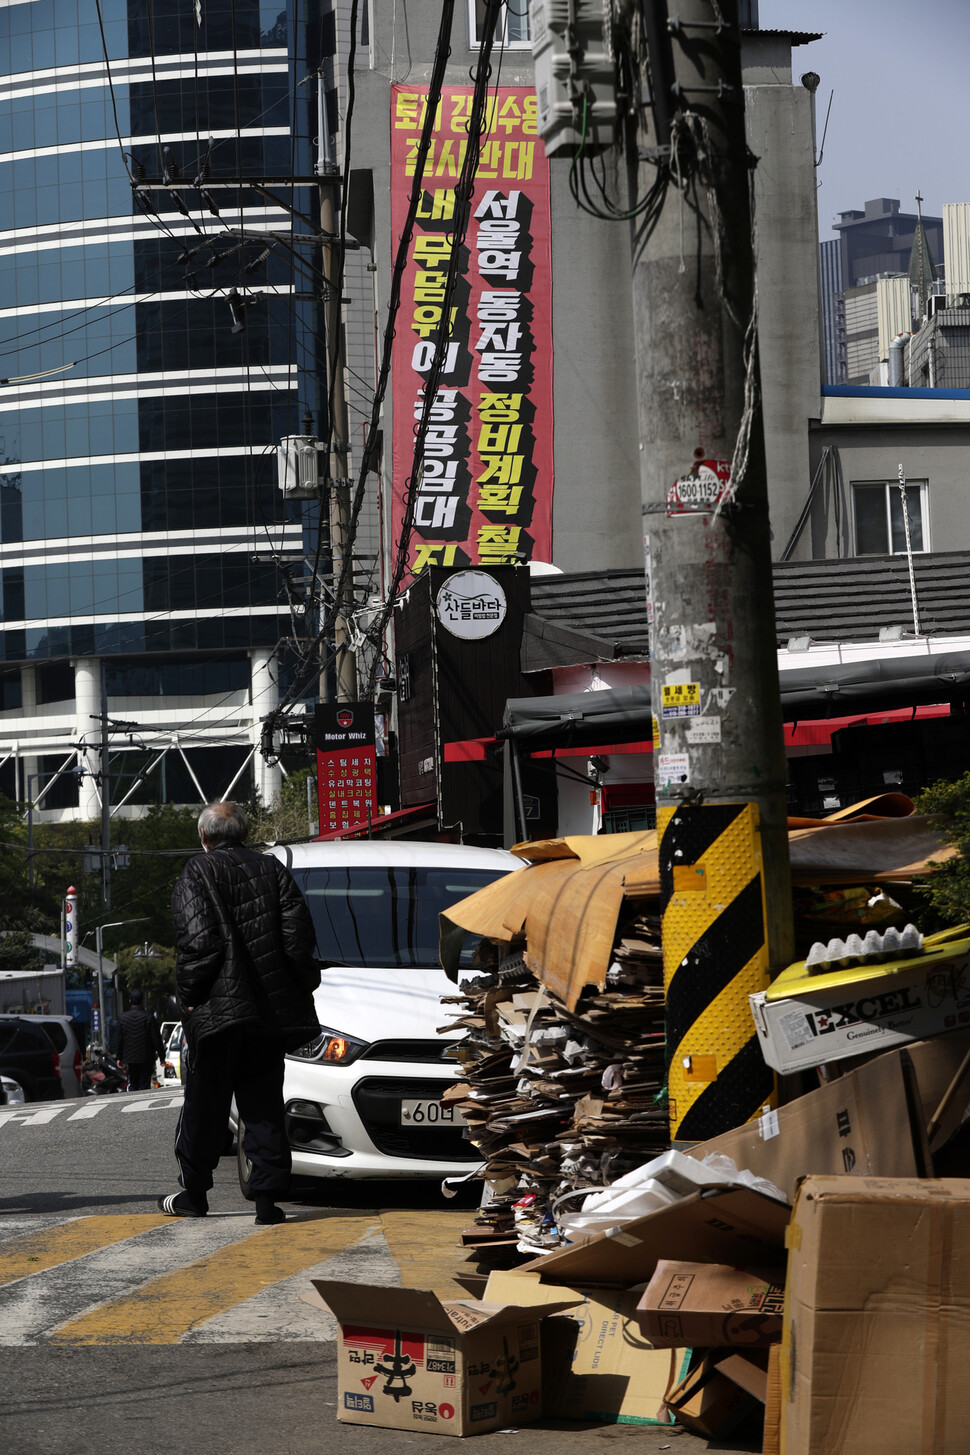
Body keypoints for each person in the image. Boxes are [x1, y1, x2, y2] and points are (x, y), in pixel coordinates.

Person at [161, 800, 320, 1225]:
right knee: (264, 1104)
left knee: (204, 1106)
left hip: (217, 1013)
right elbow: (297, 938)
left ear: (204, 837)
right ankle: (267, 1202)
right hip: (269, 1016)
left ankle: (194, 1194)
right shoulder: (273, 870)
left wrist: (190, 996)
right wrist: (303, 984)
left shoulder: (197, 871)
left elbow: (199, 943)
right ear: (245, 834)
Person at [116, 988, 165, 1091]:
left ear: (129, 1001)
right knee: (144, 1084)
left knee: (132, 1082)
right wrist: (162, 1057)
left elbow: (119, 1039)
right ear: (143, 1001)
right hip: (146, 1057)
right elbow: (156, 1038)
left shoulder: (123, 1018)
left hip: (130, 1058)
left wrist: (119, 1057)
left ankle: (133, 1101)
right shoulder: (149, 1017)